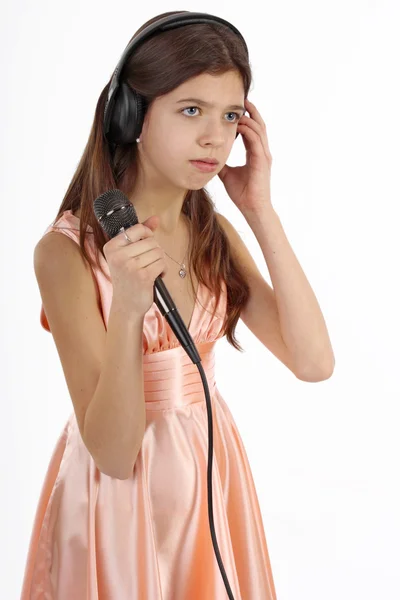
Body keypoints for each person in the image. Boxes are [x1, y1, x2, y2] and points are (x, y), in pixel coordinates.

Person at [20, 10, 334, 600]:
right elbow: (112, 453)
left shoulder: (213, 233)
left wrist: (258, 209)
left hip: (210, 476)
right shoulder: (66, 254)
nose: (216, 137)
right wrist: (130, 312)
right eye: (191, 110)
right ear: (132, 115)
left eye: (231, 115)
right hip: (117, 502)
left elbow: (314, 362)